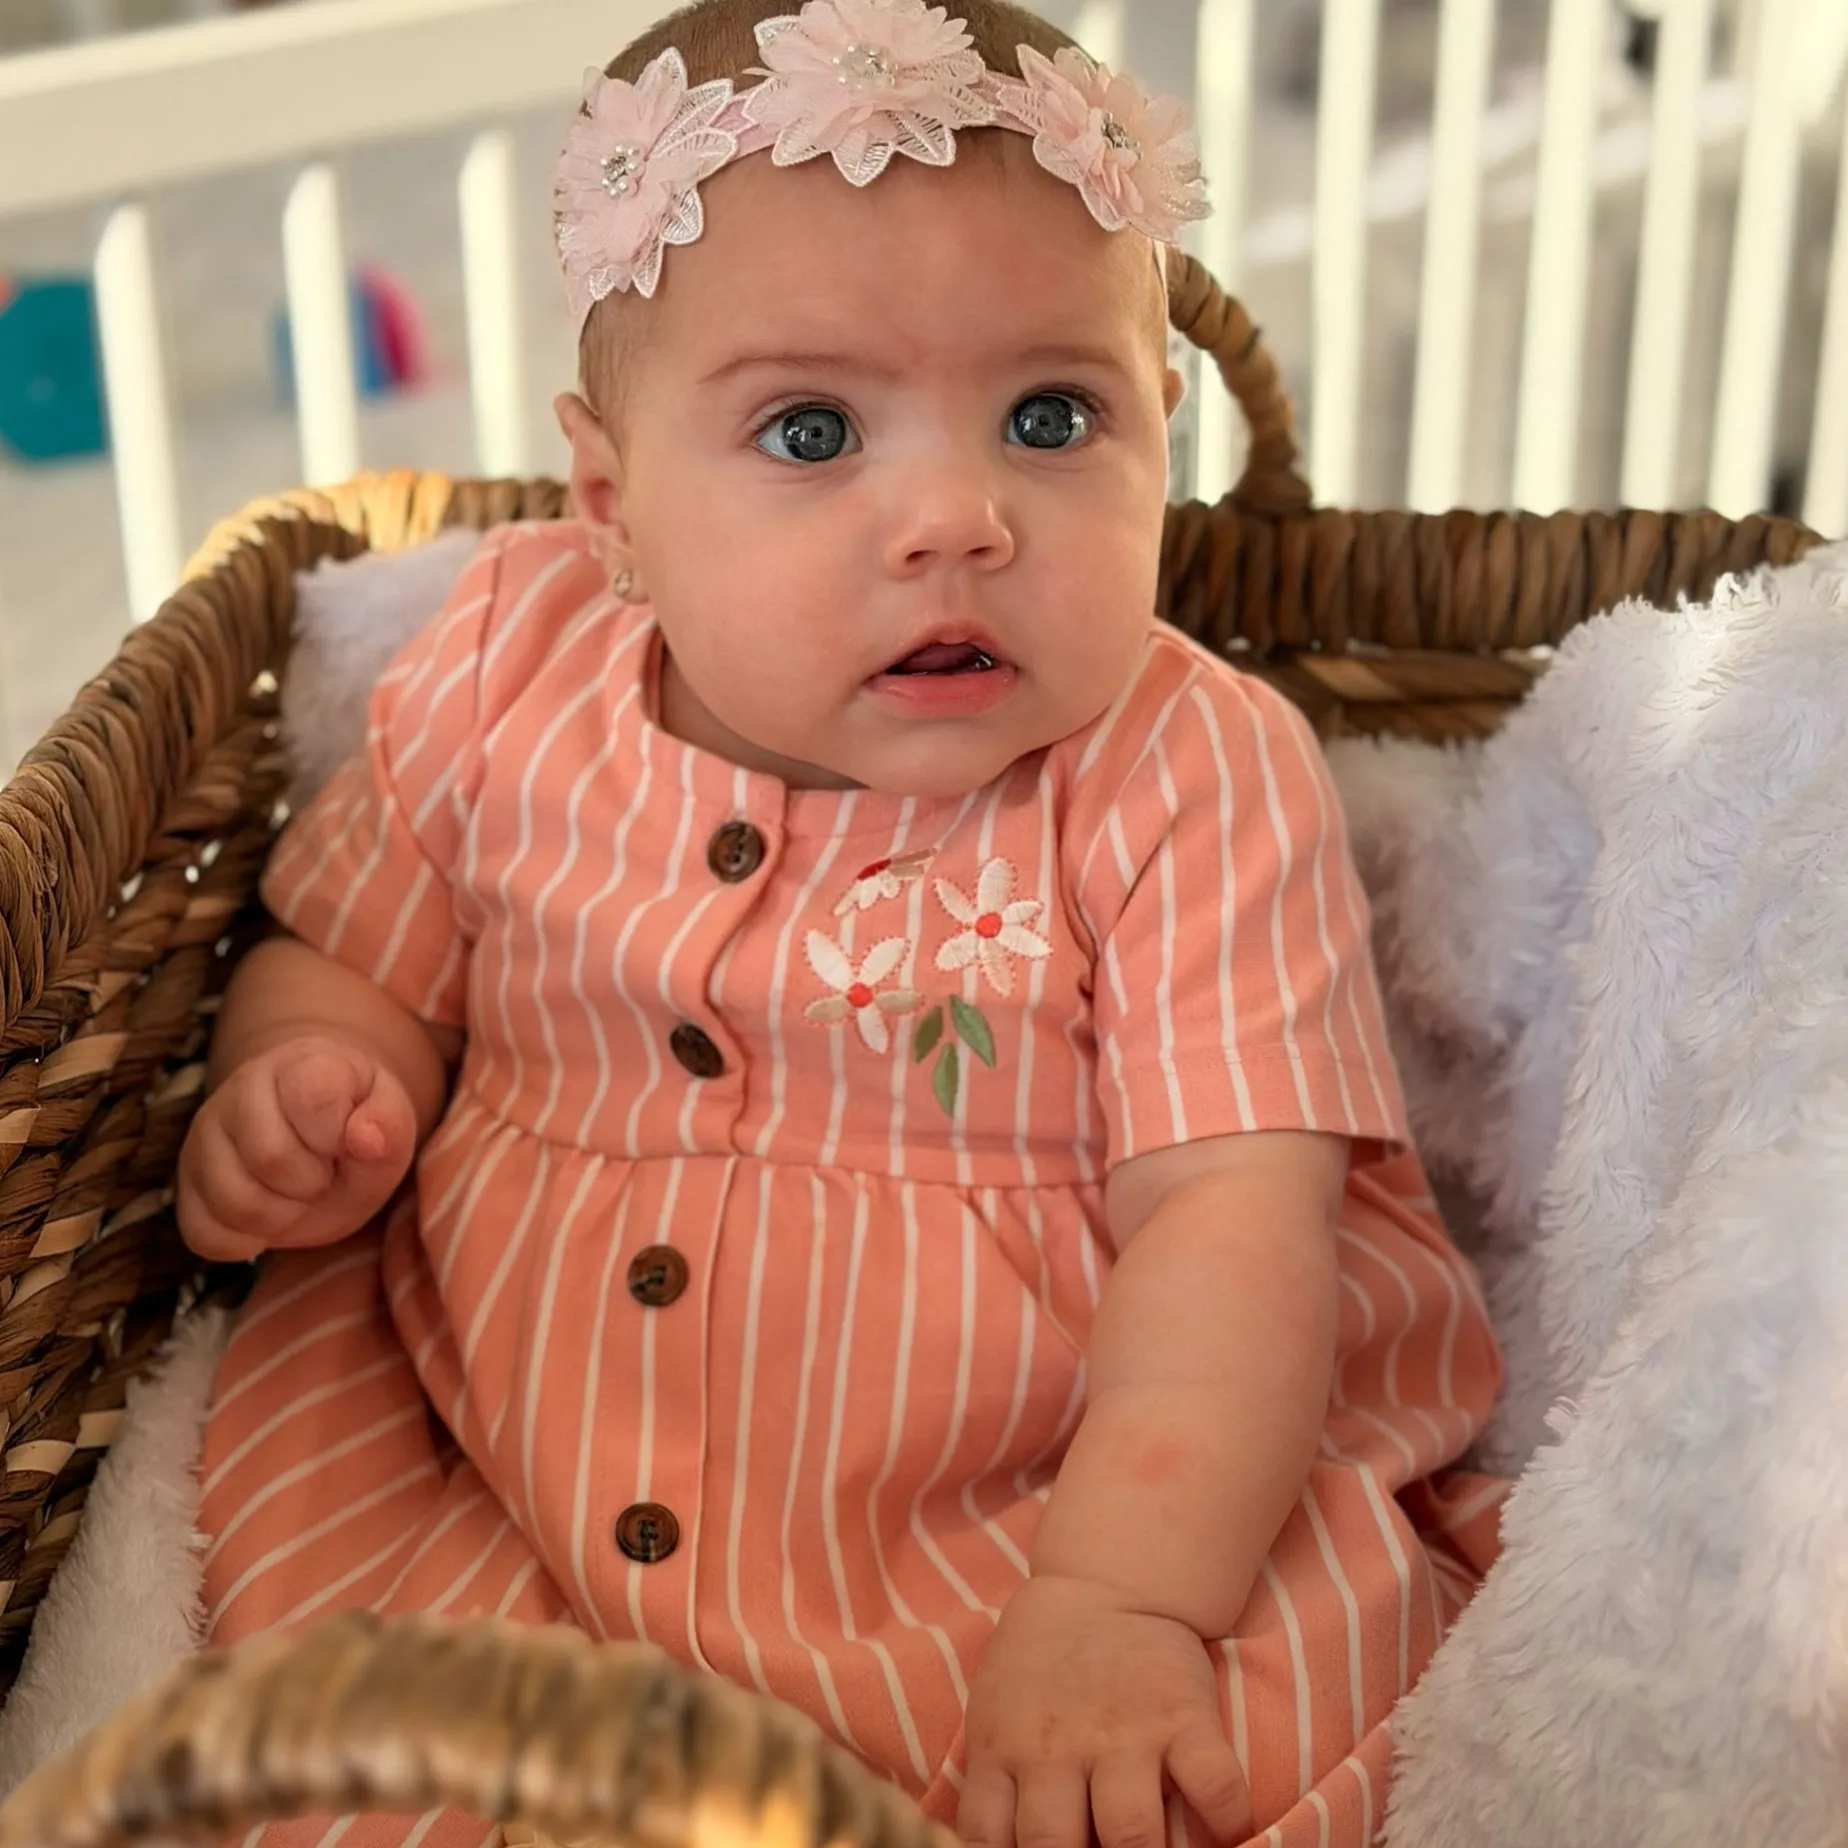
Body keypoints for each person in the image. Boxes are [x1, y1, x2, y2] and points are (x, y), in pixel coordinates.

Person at [178, 4, 1505, 1845]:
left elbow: (1235, 1226)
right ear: (613, 505)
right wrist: (313, 1075)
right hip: (528, 1458)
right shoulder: (499, 665)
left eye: (1053, 417)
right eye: (811, 430)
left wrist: (1123, 1606)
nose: (957, 518)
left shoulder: (1189, 769)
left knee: (1219, 1754)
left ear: (1165, 433)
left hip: (1064, 1492)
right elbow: (350, 956)